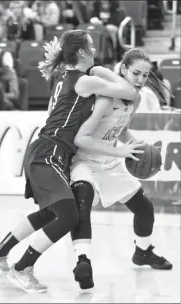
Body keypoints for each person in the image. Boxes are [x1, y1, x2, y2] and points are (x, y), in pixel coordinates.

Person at [0, 30, 139, 294]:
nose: (95, 51)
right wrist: (101, 70)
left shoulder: (64, 77)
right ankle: (22, 268)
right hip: (49, 152)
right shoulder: (84, 80)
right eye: (91, 47)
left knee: (52, 212)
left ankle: (0, 252)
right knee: (68, 214)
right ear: (82, 52)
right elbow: (129, 91)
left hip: (51, 152)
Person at [69, 48, 173, 289]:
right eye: (136, 73)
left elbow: (120, 128)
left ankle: (143, 252)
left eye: (145, 76)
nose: (140, 80)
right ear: (123, 70)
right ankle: (82, 261)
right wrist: (120, 151)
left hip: (109, 160)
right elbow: (81, 139)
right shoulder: (105, 97)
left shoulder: (134, 99)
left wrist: (134, 144)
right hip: (84, 160)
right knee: (82, 202)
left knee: (144, 208)